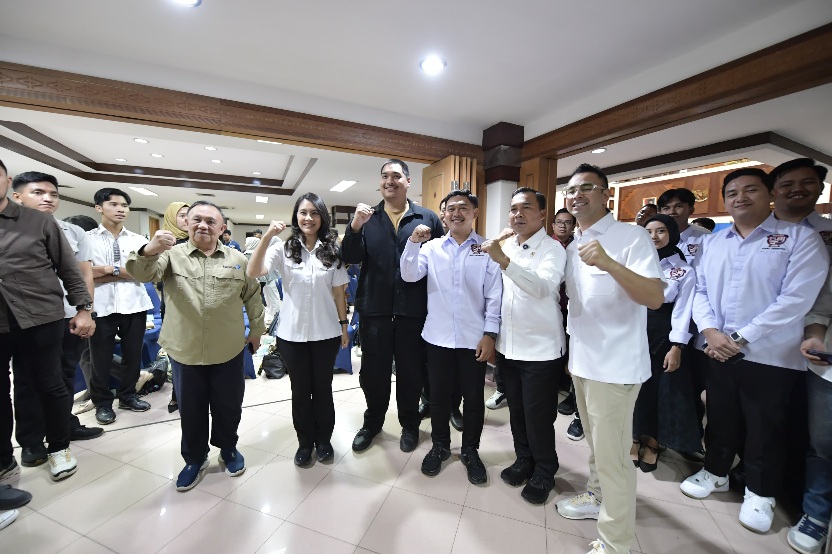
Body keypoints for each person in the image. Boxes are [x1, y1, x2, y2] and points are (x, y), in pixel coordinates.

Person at [679, 168, 829, 534]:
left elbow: (796, 300)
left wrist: (740, 337)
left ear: (770, 195)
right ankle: (715, 472)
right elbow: (699, 290)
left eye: (751, 190)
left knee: (766, 425)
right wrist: (710, 331)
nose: (740, 198)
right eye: (732, 193)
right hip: (716, 348)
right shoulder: (715, 242)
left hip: (771, 353)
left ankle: (761, 493)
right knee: (720, 415)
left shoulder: (800, 238)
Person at [556, 163, 664, 554]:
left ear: (606, 194)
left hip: (615, 367)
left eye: (586, 187)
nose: (577, 195)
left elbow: (654, 297)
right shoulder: (572, 246)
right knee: (597, 447)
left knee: (615, 457)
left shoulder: (631, 237)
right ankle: (597, 496)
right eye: (571, 190)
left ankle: (615, 543)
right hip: (583, 363)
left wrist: (609, 263)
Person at [126, 201, 265, 491]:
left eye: (210, 221)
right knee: (191, 409)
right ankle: (194, 458)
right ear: (187, 224)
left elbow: (253, 296)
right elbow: (141, 274)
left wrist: (256, 331)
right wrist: (149, 250)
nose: (203, 225)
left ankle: (228, 449)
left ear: (222, 228)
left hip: (228, 348)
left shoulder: (238, 259)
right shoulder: (170, 256)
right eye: (196, 219)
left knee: (229, 406)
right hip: (185, 349)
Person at [0, 159, 94, 482]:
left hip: (40, 316)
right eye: (39, 192)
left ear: (7, 181)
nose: (47, 199)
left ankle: (58, 447)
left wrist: (84, 308)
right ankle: (11, 453)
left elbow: (70, 268)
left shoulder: (38, 222)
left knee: (49, 384)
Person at [341, 159, 443, 453]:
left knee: (411, 373)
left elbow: (440, 263)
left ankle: (409, 425)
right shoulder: (367, 218)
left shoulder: (427, 217)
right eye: (385, 176)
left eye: (396, 176)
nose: (390, 181)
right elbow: (350, 257)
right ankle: (372, 423)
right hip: (375, 311)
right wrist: (355, 226)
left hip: (413, 312)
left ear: (408, 181)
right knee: (373, 374)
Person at [401, 190, 502, 484]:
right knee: (438, 397)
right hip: (438, 337)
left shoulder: (486, 250)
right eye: (451, 209)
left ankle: (470, 450)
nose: (457, 213)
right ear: (443, 215)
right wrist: (412, 243)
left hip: (473, 339)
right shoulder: (431, 248)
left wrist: (490, 334)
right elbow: (409, 275)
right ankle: (440, 446)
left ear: (474, 213)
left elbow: (494, 295)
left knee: (473, 399)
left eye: (463, 208)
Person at [247, 193, 349, 466]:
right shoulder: (284, 248)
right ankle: (305, 443)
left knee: (323, 390)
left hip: (326, 333)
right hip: (292, 336)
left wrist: (344, 326)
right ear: (296, 216)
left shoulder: (332, 251)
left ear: (322, 218)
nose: (308, 218)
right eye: (303, 212)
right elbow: (253, 272)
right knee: (301, 392)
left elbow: (339, 293)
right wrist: (267, 237)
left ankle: (324, 441)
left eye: (314, 213)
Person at [481, 187, 566, 505]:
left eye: (526, 208)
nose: (518, 214)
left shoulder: (553, 249)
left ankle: (545, 470)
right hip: (509, 346)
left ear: (542, 213)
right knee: (516, 410)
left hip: (541, 349)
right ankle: (524, 459)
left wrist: (504, 261)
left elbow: (542, 288)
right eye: (513, 209)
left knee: (538, 415)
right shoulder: (508, 245)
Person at [631, 214, 701, 472]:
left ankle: (652, 443)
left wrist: (676, 346)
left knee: (659, 391)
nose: (654, 237)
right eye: (648, 231)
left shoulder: (683, 270)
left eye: (660, 231)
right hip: (633, 331)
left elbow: (683, 310)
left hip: (663, 335)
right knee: (633, 388)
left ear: (672, 234)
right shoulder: (634, 263)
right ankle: (633, 437)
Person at [794, 274, 832, 554]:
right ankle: (816, 514)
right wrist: (815, 337)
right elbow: (821, 309)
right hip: (828, 372)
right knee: (823, 447)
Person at [551, 208, 585, 441]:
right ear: (553, 225)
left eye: (567, 222)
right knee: (556, 353)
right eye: (559, 222)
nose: (563, 226)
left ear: (574, 226)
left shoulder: (578, 247)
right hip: (552, 307)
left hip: (575, 309)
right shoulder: (546, 245)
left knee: (574, 355)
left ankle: (575, 400)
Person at [159, 202, 190, 413]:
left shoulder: (200, 241)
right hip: (173, 304)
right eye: (182, 215)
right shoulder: (165, 245)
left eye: (190, 215)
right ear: (171, 218)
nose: (187, 219)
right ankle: (178, 394)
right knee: (177, 351)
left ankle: (189, 393)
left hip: (199, 304)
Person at [658, 188, 709, 263]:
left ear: (691, 210)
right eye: (666, 208)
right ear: (659, 213)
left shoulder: (705, 239)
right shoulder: (653, 240)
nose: (672, 212)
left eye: (678, 206)